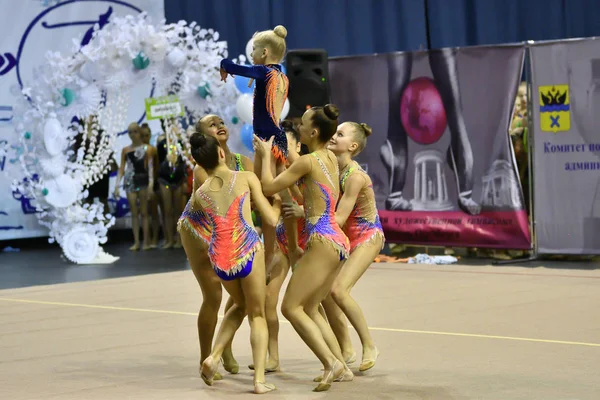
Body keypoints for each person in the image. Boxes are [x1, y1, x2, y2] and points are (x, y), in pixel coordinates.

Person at [253, 104, 353, 392]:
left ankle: (330, 362)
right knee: (310, 307)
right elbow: (303, 183)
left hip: (322, 241)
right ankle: (341, 366)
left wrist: (263, 156)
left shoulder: (307, 162)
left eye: (303, 123)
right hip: (337, 240)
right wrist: (284, 152)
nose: (298, 126)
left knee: (291, 307)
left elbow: (269, 187)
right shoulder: (329, 158)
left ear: (313, 131)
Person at [189, 133, 281, 394]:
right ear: (221, 154)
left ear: (199, 163)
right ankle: (260, 380)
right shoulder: (245, 177)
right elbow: (271, 221)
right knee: (257, 313)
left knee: (239, 305)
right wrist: (276, 202)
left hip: (220, 257)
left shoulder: (201, 194)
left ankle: (213, 356)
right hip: (248, 250)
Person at [322, 121, 384, 371]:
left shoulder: (355, 176)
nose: (334, 136)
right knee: (324, 292)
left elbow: (338, 218)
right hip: (348, 237)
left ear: (353, 146)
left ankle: (369, 345)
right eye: (334, 132)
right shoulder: (331, 167)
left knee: (338, 290)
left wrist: (306, 213)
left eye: (340, 134)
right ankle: (346, 348)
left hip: (368, 236)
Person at [248, 120, 307, 374]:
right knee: (269, 300)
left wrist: (286, 179)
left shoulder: (306, 167)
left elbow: (308, 203)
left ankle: (341, 349)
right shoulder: (277, 170)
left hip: (308, 242)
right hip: (284, 241)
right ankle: (273, 357)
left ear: (299, 145)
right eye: (278, 145)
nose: (281, 150)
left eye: (286, 144)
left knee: (318, 303)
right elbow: (266, 199)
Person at [114, 122, 153, 251]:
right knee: (134, 213)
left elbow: (150, 167)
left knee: (144, 212)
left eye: (134, 131)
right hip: (130, 180)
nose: (132, 135)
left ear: (139, 132)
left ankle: (146, 241)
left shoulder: (147, 148)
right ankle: (136, 241)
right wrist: (116, 185)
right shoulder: (125, 150)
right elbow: (121, 168)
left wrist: (151, 184)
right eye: (129, 132)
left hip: (142, 179)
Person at [156, 119, 187, 249]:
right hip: (165, 178)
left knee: (178, 211)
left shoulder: (180, 141)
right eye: (167, 125)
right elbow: (158, 161)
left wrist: (184, 179)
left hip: (178, 177)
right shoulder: (161, 142)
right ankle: (169, 239)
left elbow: (184, 161)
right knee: (167, 210)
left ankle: (180, 239)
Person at [140, 124, 161, 248]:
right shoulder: (137, 151)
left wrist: (153, 184)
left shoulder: (152, 149)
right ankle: (146, 238)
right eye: (142, 136)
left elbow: (156, 167)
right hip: (141, 184)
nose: (144, 138)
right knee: (144, 212)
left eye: (147, 135)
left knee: (154, 212)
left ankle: (155, 237)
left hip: (153, 183)